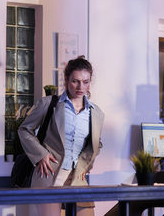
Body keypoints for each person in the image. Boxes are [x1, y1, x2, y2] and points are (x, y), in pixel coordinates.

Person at [18, 55, 105, 216]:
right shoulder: (49, 104)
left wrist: (87, 164)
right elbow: (24, 130)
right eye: (75, 81)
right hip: (49, 175)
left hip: (78, 178)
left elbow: (96, 143)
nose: (80, 86)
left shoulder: (96, 113)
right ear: (66, 79)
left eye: (85, 82)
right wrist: (41, 154)